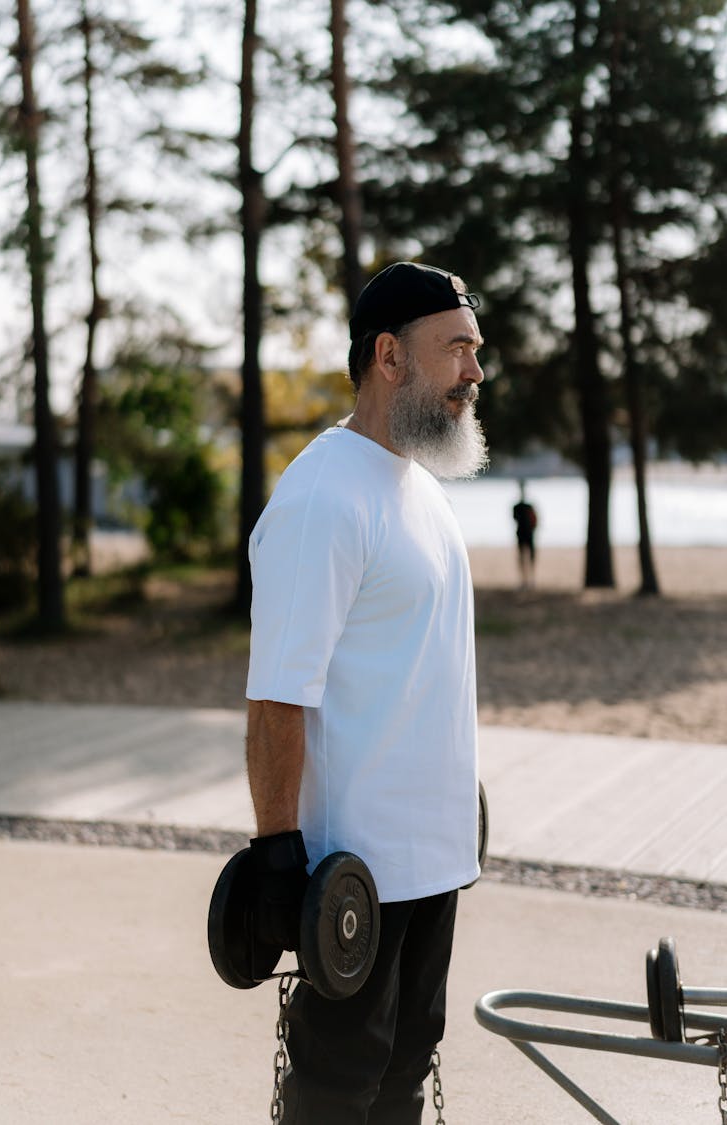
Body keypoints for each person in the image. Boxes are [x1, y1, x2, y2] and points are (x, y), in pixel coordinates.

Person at [245, 261, 488, 1124]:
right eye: (455, 348)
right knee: (338, 1084)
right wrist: (278, 853)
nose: (474, 371)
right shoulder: (323, 495)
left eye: (475, 350)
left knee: (405, 1070)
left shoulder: (421, 490)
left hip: (431, 864)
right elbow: (277, 695)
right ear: (389, 355)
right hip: (354, 874)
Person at [512, 480, 538, 589]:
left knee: (528, 557)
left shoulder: (524, 507)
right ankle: (525, 579)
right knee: (523, 557)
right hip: (524, 534)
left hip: (526, 534)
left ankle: (529, 579)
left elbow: (535, 520)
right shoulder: (518, 507)